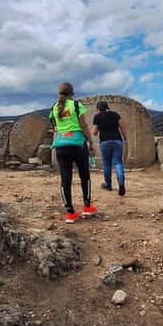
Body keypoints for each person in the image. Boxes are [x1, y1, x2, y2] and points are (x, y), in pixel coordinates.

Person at [49, 82, 98, 224]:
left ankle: (70, 213)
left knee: (65, 178)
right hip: (77, 144)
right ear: (72, 93)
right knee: (84, 175)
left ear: (59, 93)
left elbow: (55, 128)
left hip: (61, 146)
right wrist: (90, 141)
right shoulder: (76, 105)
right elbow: (83, 125)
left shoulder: (54, 108)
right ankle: (87, 206)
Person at [91, 101, 129, 196]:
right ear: (108, 107)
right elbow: (122, 128)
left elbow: (94, 132)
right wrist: (125, 139)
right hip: (117, 141)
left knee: (107, 164)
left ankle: (108, 185)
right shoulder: (115, 115)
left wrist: (97, 126)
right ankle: (121, 184)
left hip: (105, 142)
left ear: (98, 108)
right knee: (118, 162)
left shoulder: (97, 117)